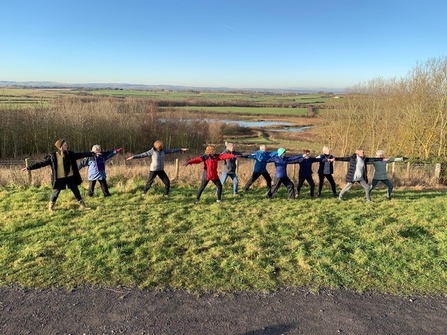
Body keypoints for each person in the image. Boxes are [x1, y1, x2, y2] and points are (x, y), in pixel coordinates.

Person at [21, 139, 95, 211]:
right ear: (60, 147)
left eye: (66, 144)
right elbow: (41, 163)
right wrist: (29, 168)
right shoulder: (53, 157)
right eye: (65, 145)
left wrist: (92, 153)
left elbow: (81, 155)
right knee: (55, 193)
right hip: (59, 178)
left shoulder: (70, 154)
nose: (67, 146)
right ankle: (51, 207)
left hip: (70, 177)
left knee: (76, 191)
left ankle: (83, 206)